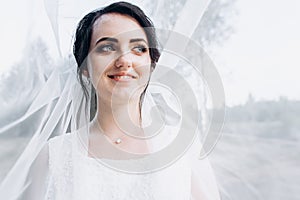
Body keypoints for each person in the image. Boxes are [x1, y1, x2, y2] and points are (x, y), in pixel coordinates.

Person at [2, 2, 221, 200]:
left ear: (151, 64)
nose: (124, 60)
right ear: (85, 68)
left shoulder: (183, 148)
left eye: (138, 49)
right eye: (107, 47)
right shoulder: (52, 157)